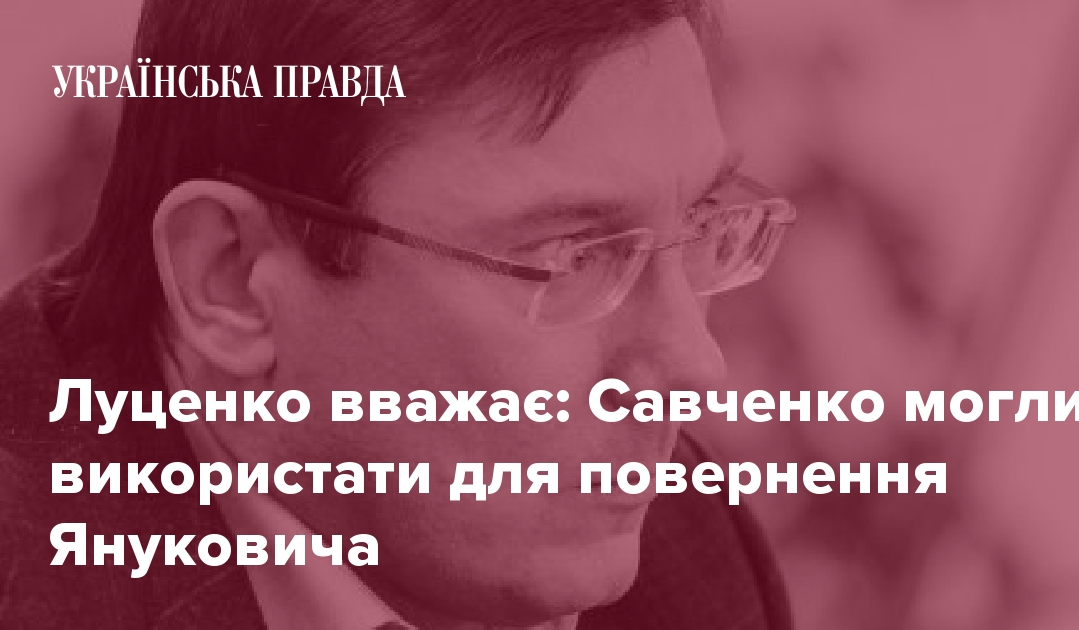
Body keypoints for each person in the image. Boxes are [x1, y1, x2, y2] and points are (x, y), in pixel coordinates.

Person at [0, 0, 794, 628]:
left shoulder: (689, 555)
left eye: (700, 222)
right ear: (231, 283)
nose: (695, 369)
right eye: (573, 258)